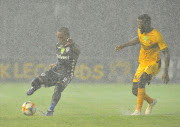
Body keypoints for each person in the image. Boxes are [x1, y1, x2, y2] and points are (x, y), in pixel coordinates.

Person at [115, 14, 170, 115]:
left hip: (154, 63)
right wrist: (123, 45)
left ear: (147, 23)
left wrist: (165, 71)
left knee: (142, 79)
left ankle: (137, 111)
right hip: (143, 63)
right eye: (138, 23)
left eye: (140, 23)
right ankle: (151, 101)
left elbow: (166, 52)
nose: (138, 26)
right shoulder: (141, 31)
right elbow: (138, 39)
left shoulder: (156, 35)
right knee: (135, 91)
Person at [27, 27, 80, 116]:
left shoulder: (73, 47)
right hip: (56, 70)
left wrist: (72, 44)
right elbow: (60, 58)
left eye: (61, 37)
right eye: (58, 37)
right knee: (35, 81)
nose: (59, 39)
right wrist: (55, 64)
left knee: (58, 88)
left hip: (66, 74)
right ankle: (36, 87)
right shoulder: (58, 45)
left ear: (67, 36)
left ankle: (51, 110)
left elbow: (78, 51)